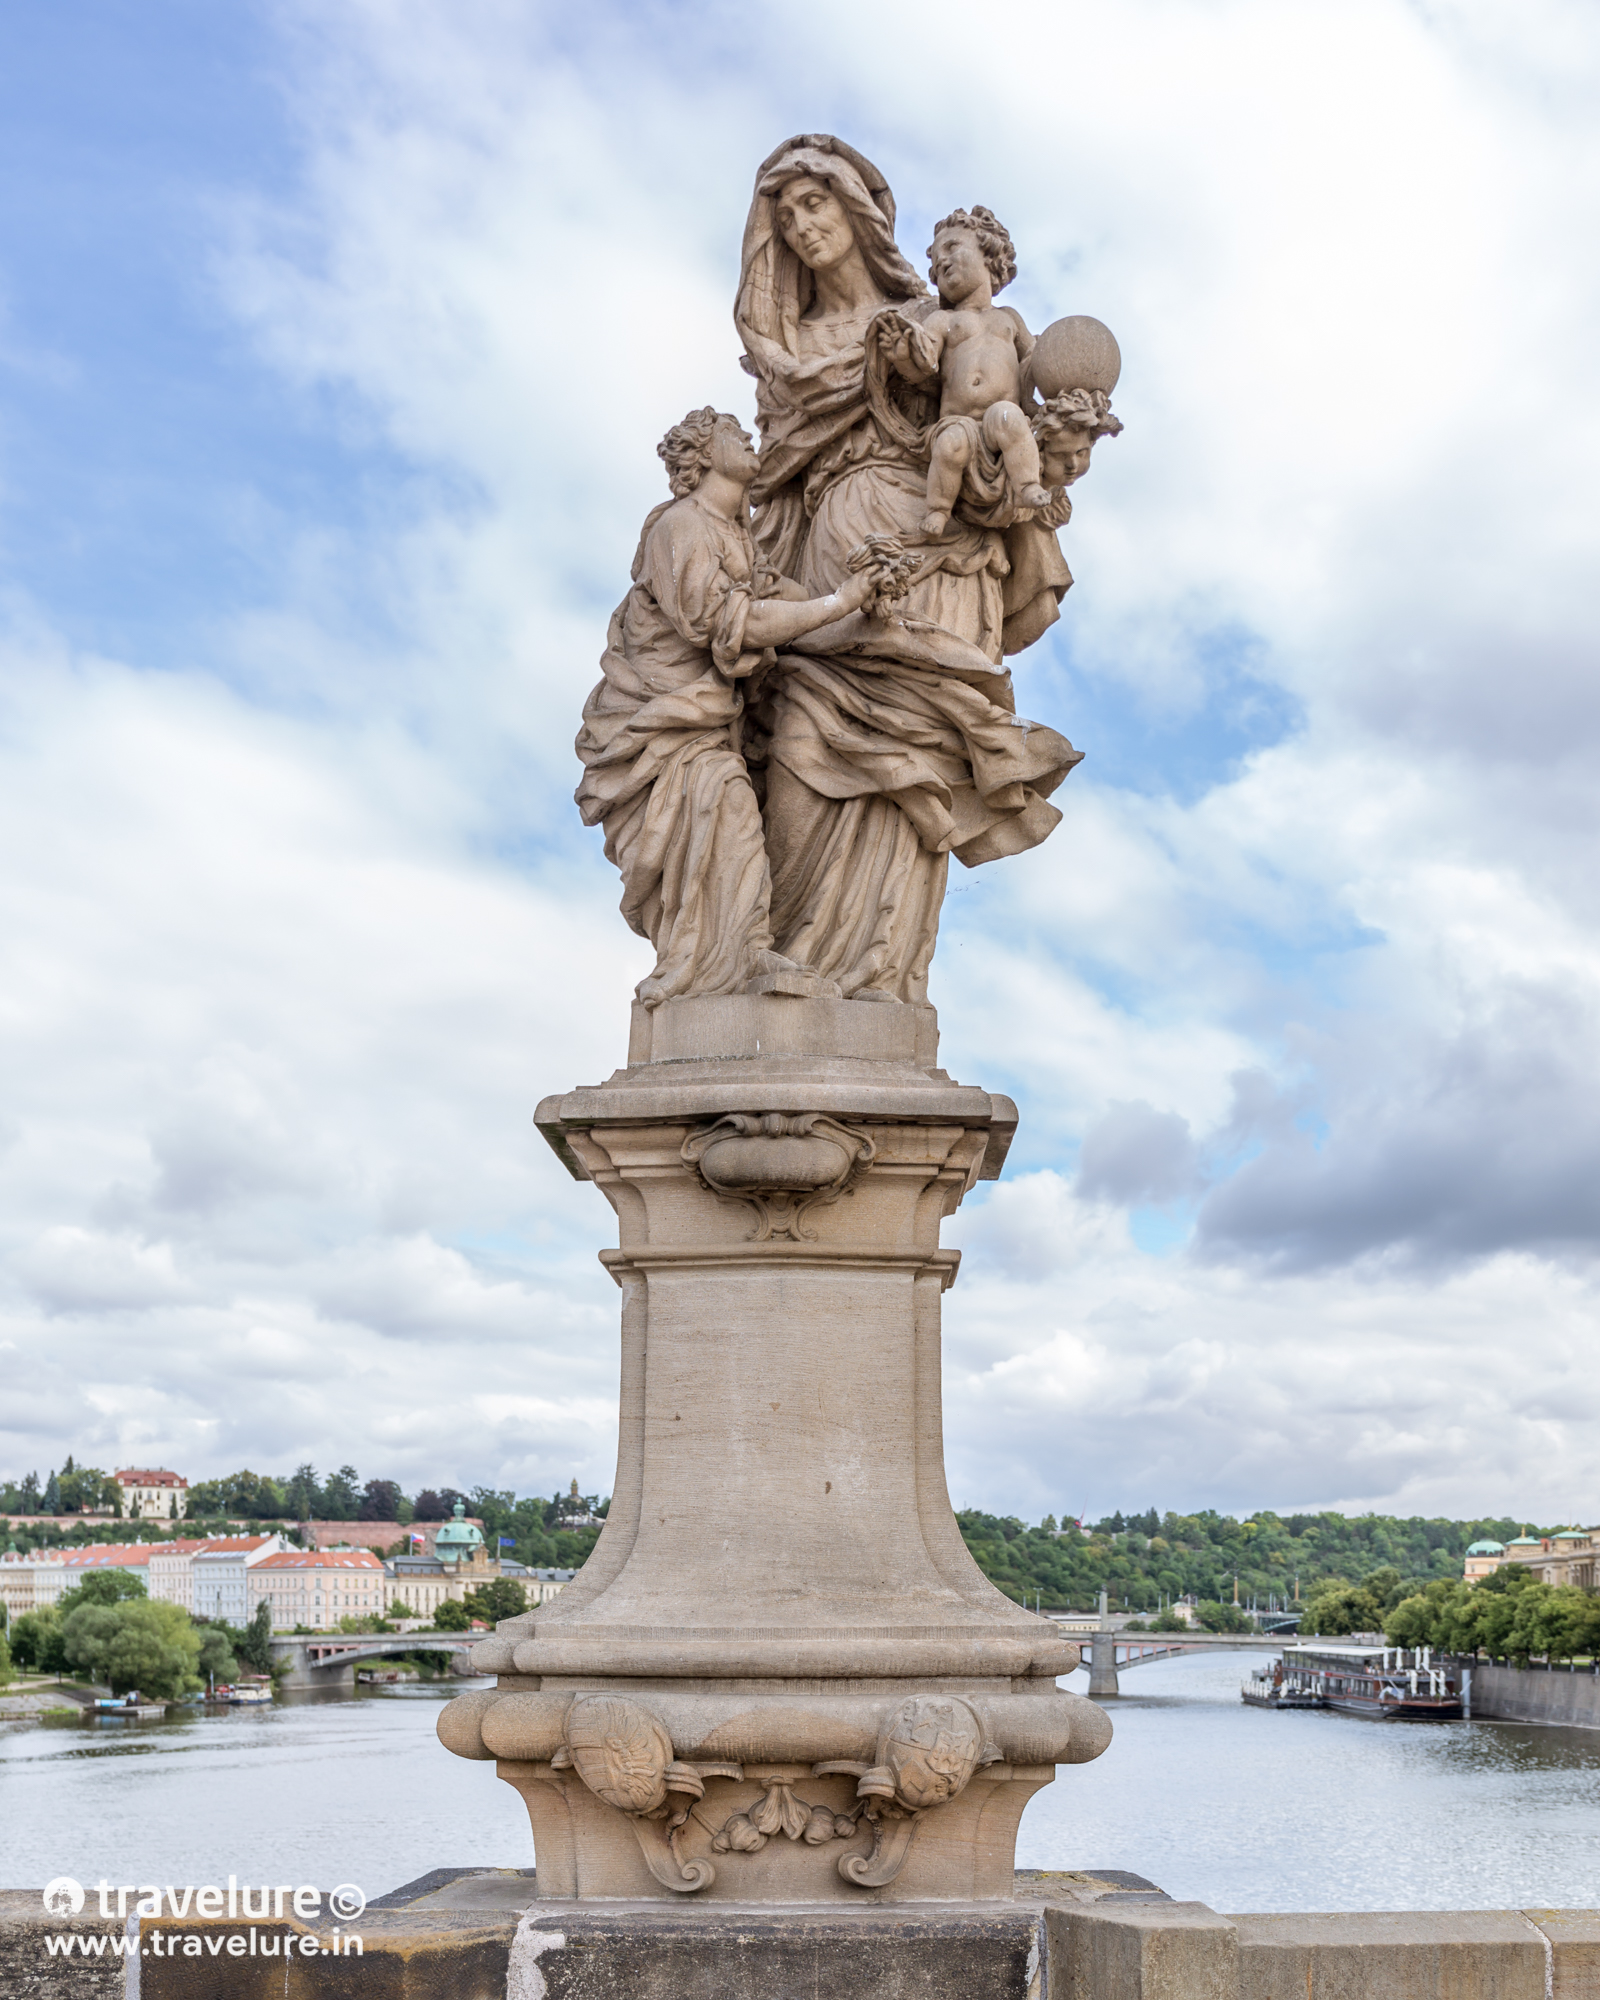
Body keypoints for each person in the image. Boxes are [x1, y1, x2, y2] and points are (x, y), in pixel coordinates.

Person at [734, 137, 1081, 1003]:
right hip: (828, 569)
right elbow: (774, 485)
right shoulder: (793, 346)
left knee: (914, 768)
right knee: (804, 752)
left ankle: (880, 992)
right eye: (786, 218)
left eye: (817, 205)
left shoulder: (939, 318)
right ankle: (783, 970)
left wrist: (1049, 449)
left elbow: (1000, 438)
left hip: (939, 566)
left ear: (857, 210)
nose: (805, 227)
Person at [574, 407, 892, 1007]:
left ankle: (735, 956)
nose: (746, 436)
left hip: (704, 723)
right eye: (730, 431)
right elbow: (726, 622)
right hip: (659, 722)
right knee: (728, 810)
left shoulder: (737, 536)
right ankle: (714, 965)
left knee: (732, 818)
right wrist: (839, 601)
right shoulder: (680, 526)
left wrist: (860, 604)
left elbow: (783, 602)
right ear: (701, 454)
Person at [877, 206, 1051, 538]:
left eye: (952, 247)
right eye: (935, 262)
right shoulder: (942, 321)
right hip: (957, 420)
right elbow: (923, 363)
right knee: (949, 446)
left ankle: (1027, 484)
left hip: (998, 417)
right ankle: (938, 510)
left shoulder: (1009, 319)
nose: (941, 261)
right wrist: (902, 356)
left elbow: (1034, 362)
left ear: (990, 256)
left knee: (1010, 421)